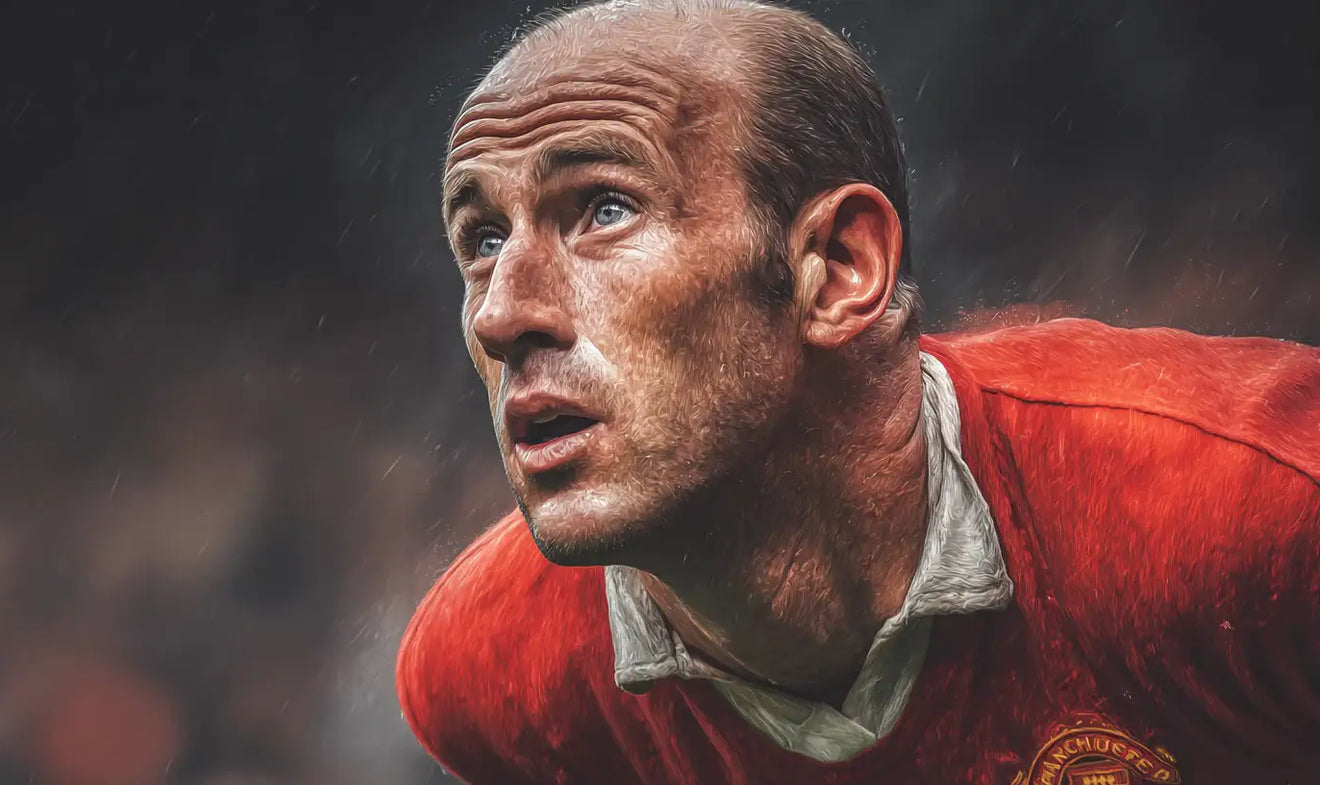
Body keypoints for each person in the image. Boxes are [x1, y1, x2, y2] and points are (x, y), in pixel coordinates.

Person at [396, 1, 1320, 782]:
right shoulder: (492, 683)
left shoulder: (1258, 506)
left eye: (603, 208)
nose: (500, 314)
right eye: (481, 241)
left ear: (839, 268)